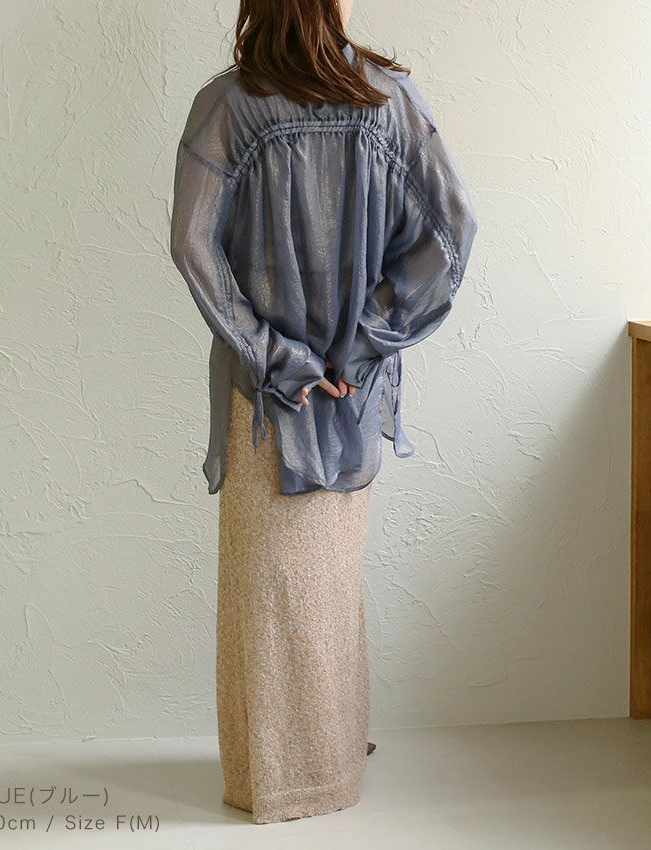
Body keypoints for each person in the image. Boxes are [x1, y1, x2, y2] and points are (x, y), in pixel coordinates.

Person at [169, 0, 478, 825]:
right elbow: (451, 232)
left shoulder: (227, 107)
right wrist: (365, 340)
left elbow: (193, 244)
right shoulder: (388, 101)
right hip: (351, 394)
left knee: (270, 593)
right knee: (324, 583)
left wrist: (275, 356)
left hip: (266, 396)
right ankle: (321, 762)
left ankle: (285, 773)